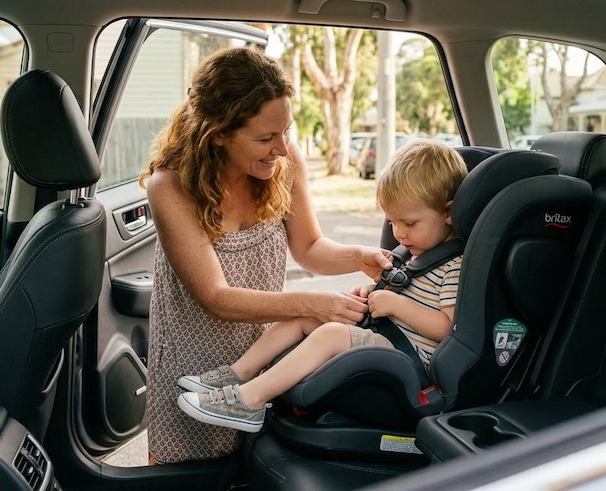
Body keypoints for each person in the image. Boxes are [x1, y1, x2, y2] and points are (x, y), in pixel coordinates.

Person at [139, 47, 392, 464]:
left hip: (262, 363)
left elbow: (309, 248)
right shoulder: (170, 186)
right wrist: (313, 303)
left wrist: (359, 255)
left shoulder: (285, 163)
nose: (282, 147)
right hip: (193, 368)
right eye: (264, 137)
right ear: (217, 132)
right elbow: (215, 296)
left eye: (286, 131)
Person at [176, 139, 468, 433]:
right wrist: (373, 296)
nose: (399, 233)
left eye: (410, 223)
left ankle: (249, 402)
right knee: (305, 315)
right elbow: (401, 297)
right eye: (392, 222)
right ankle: (238, 374)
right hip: (387, 336)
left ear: (447, 213)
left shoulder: (454, 266)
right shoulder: (413, 255)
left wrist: (396, 305)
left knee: (330, 334)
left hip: (410, 357)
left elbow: (446, 327)